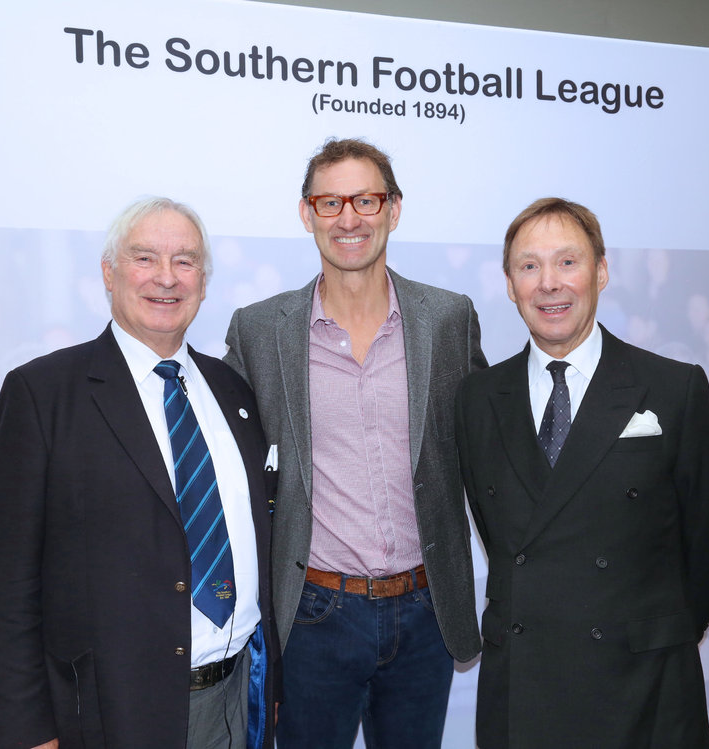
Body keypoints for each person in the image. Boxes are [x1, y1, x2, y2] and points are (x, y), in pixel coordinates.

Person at [0, 197, 280, 749]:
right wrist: (24, 732)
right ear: (109, 274)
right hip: (110, 713)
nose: (167, 278)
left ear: (204, 283)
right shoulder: (43, 396)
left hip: (238, 699)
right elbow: (3, 588)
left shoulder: (232, 392)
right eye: (145, 258)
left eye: (185, 261)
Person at [224, 138, 486, 748]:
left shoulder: (449, 319)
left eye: (365, 200)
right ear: (306, 213)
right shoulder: (260, 331)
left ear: (393, 209)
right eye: (330, 202)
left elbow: (486, 447)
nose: (348, 219)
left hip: (426, 613)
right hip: (314, 616)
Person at [455, 197, 709, 748]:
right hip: (523, 691)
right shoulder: (477, 399)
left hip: (643, 690)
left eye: (568, 262)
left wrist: (653, 633)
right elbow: (501, 535)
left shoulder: (672, 389)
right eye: (529, 266)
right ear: (511, 284)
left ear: (601, 271)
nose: (549, 284)